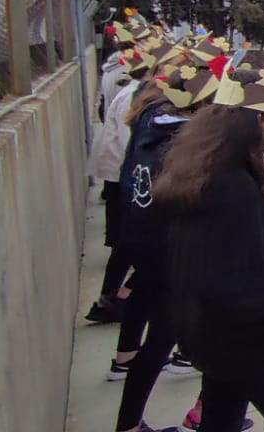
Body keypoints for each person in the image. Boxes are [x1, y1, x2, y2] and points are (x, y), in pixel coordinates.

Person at [157, 59, 264, 432]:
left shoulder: (198, 169)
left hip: (216, 335)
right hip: (253, 338)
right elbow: (233, 280)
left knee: (221, 419)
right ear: (250, 124)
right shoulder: (233, 188)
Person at [111, 61, 231, 432]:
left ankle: (130, 421)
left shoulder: (153, 124)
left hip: (149, 248)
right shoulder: (178, 143)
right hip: (170, 257)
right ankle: (203, 413)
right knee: (190, 340)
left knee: (159, 342)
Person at [85, 48, 151, 325]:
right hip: (128, 181)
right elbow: (130, 145)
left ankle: (111, 298)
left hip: (127, 179)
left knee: (126, 247)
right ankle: (114, 299)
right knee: (134, 249)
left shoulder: (135, 93)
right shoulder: (133, 98)